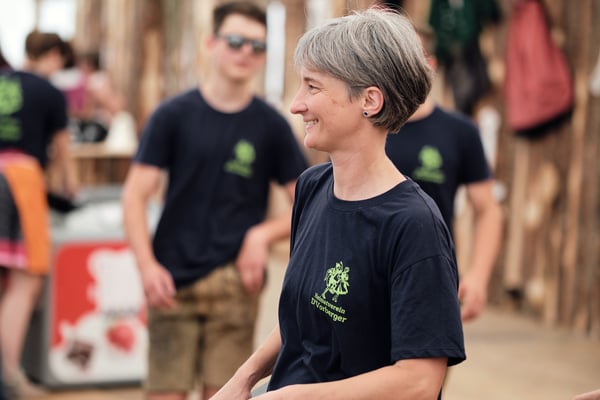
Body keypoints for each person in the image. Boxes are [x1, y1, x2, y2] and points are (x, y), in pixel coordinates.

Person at [211, 7, 465, 400]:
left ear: (370, 100)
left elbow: (419, 382)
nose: (296, 105)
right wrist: (243, 380)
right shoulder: (312, 187)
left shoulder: (415, 225)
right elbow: (303, 317)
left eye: (313, 87)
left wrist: (293, 397)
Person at [121, 2, 308, 400]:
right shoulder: (172, 115)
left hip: (235, 284)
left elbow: (308, 204)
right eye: (236, 41)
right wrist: (147, 266)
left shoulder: (272, 125)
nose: (246, 52)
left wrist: (261, 235)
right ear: (211, 43)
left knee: (224, 394)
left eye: (257, 46)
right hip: (171, 282)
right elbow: (135, 195)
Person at [385, 24, 503, 322]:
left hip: (432, 277)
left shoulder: (460, 131)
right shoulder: (365, 127)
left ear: (430, 66)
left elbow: (488, 209)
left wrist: (478, 276)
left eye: (407, 58)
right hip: (366, 273)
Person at [0, 31, 78, 399]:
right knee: (25, 282)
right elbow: (63, 149)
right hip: (20, 180)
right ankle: (8, 376)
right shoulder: (49, 92)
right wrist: (70, 186)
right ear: (54, 55)